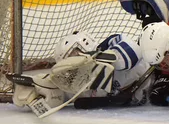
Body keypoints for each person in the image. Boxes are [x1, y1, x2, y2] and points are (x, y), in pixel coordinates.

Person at [12, 30, 153, 113]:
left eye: (75, 57)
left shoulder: (117, 54)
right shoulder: (74, 85)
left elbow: (134, 50)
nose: (72, 68)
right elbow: (54, 94)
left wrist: (105, 60)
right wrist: (34, 93)